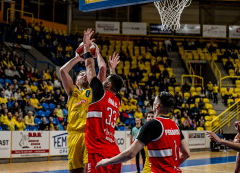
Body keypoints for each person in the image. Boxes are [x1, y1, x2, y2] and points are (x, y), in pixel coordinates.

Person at [96, 91, 190, 173]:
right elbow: (186, 153)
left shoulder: (153, 125)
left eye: (154, 101)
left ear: (157, 106)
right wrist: (171, 167)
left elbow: (130, 153)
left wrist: (107, 161)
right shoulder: (176, 126)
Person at [59, 29, 107, 173]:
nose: (84, 75)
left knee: (89, 169)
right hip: (73, 134)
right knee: (75, 171)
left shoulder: (93, 90)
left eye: (85, 73)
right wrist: (77, 59)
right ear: (75, 80)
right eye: (80, 74)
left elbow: (102, 71)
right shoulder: (72, 91)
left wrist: (96, 54)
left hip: (89, 134)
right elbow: (62, 71)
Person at [82, 28, 123, 173]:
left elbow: (90, 66)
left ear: (108, 84)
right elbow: (115, 84)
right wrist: (112, 71)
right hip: (114, 152)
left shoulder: (100, 93)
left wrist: (88, 48)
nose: (104, 81)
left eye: (107, 80)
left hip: (99, 152)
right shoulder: (117, 100)